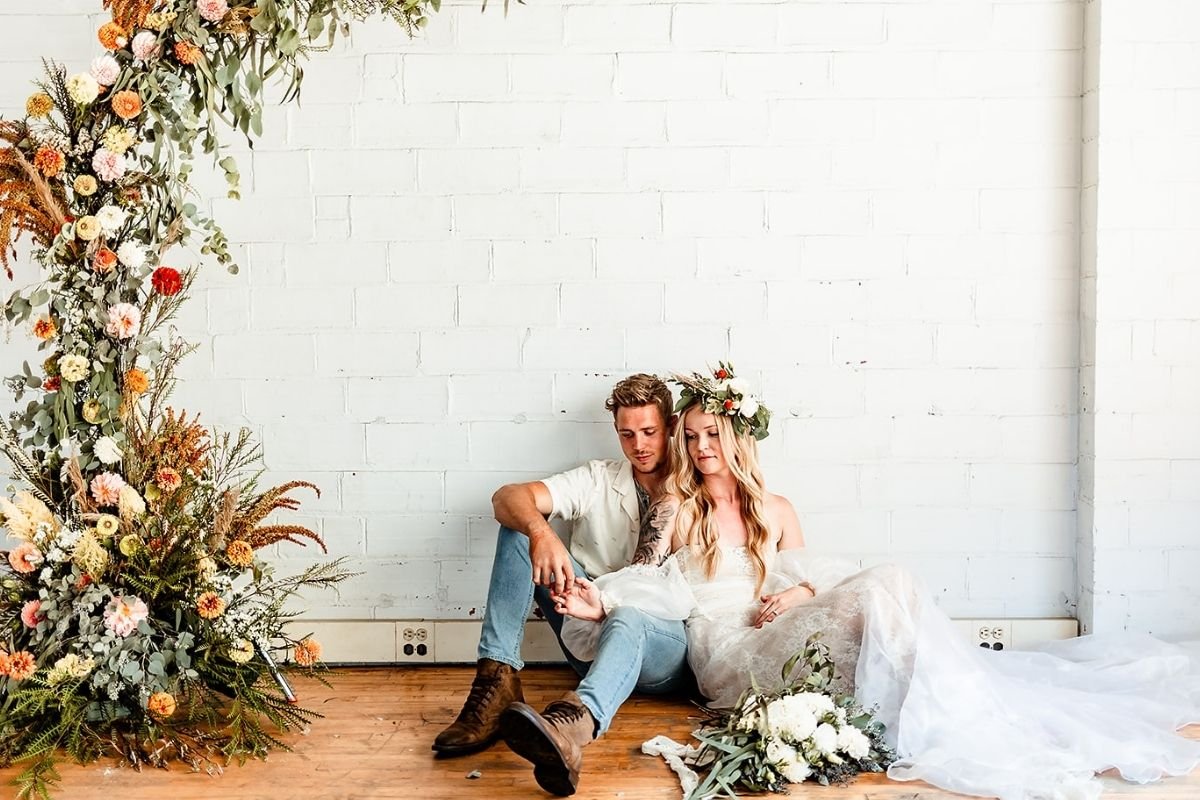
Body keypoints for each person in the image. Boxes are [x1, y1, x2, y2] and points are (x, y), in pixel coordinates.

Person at [557, 365, 1200, 800]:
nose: (699, 449)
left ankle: (947, 713)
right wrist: (601, 596)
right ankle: (938, 716)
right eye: (691, 437)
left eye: (711, 436)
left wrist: (799, 595)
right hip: (725, 648)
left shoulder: (774, 509)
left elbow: (807, 576)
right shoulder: (677, 505)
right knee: (884, 581)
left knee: (886, 589)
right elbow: (651, 577)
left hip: (777, 626)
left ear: (736, 440)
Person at [433, 373, 689, 797]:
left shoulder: (699, 484)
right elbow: (506, 497)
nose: (638, 446)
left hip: (661, 651)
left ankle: (574, 725)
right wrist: (542, 533)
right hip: (587, 637)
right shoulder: (599, 479)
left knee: (628, 614)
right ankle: (496, 681)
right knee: (517, 530)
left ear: (672, 426)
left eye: (649, 432)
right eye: (626, 435)